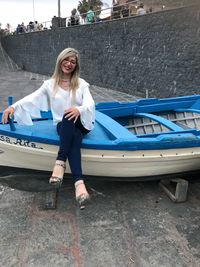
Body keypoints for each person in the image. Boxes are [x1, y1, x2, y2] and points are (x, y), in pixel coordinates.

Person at [1, 48, 95, 207]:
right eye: (67, 59)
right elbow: (32, 98)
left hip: (82, 122)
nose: (69, 63)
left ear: (76, 66)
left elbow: (90, 103)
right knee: (74, 136)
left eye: (73, 61)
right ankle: (79, 183)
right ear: (60, 61)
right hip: (63, 126)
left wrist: (78, 109)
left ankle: (59, 163)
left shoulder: (81, 84)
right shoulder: (49, 85)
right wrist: (14, 108)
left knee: (69, 117)